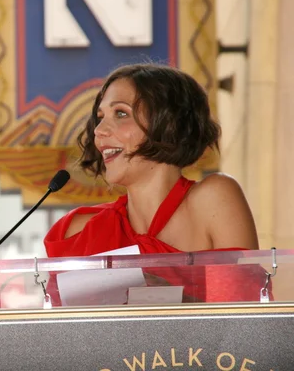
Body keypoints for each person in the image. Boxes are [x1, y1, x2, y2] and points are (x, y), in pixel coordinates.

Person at [44, 63, 263, 302]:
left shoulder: (213, 198)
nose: (99, 131)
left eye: (120, 113)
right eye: (100, 118)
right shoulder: (78, 229)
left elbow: (244, 324)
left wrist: (168, 301)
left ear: (169, 124)